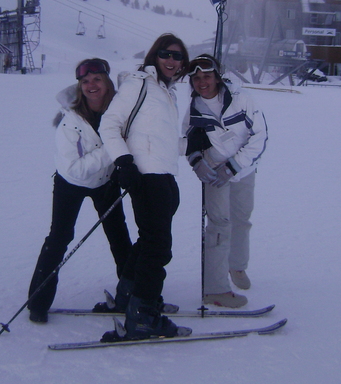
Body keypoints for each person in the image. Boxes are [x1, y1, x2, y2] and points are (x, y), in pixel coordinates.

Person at [98, 34, 191, 339]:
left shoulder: (168, 92)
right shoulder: (138, 83)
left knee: (149, 241)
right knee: (157, 247)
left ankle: (129, 295)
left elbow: (157, 139)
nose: (171, 60)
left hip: (165, 174)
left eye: (177, 56)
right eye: (165, 53)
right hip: (146, 176)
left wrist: (189, 143)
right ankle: (143, 315)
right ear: (154, 55)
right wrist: (123, 162)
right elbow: (109, 125)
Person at [27, 58, 132, 323]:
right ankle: (38, 301)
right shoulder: (70, 120)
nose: (91, 85)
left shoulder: (120, 110)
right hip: (70, 184)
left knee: (119, 237)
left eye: (97, 79)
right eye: (85, 81)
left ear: (108, 81)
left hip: (106, 181)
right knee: (59, 239)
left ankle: (134, 293)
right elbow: (75, 169)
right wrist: (113, 147)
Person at [183, 54, 268, 308]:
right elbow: (189, 141)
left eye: (207, 76)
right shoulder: (195, 107)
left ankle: (237, 267)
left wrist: (233, 166)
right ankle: (215, 288)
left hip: (242, 170)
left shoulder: (242, 100)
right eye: (196, 78)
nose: (202, 82)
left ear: (217, 77)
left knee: (241, 220)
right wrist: (197, 162)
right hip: (213, 171)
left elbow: (260, 137)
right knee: (219, 225)